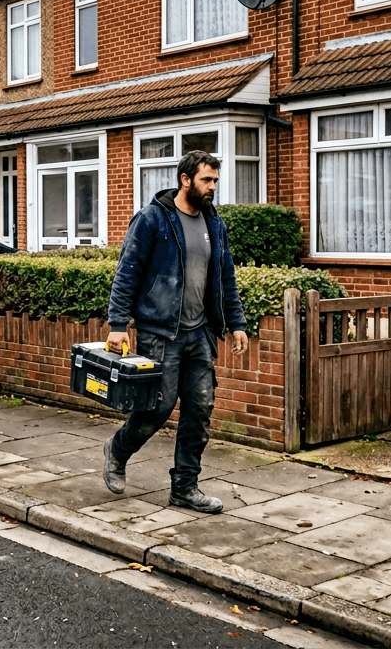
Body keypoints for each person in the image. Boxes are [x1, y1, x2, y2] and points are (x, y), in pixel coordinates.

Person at [103, 150, 248, 514]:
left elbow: (225, 278)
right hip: (160, 332)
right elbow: (127, 272)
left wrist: (237, 324)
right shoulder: (152, 219)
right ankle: (117, 450)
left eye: (215, 180)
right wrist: (118, 325)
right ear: (186, 180)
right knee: (158, 407)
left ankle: (184, 487)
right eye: (206, 180)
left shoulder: (214, 224)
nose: (212, 187)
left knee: (200, 408)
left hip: (200, 333)